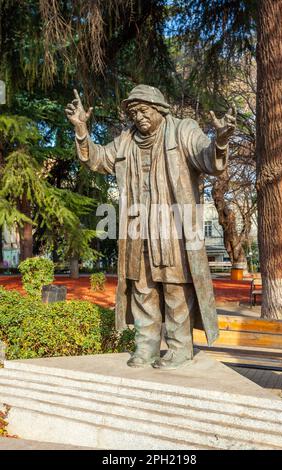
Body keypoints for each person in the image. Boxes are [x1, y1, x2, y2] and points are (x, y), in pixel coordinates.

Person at [65, 85, 236, 369]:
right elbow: (97, 159)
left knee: (174, 287)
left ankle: (180, 348)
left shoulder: (183, 130)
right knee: (142, 286)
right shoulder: (126, 141)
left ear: (159, 109)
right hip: (137, 228)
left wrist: (220, 140)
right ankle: (146, 347)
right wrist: (82, 129)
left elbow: (207, 158)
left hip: (173, 228)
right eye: (134, 113)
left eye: (144, 110)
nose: (139, 117)